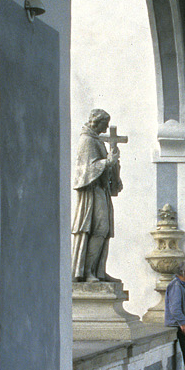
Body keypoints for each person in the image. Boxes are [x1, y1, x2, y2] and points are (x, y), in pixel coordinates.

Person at [71, 108, 122, 281]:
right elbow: (85, 170)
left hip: (101, 191)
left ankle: (98, 271)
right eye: (104, 124)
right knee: (95, 228)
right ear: (96, 122)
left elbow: (104, 167)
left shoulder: (97, 141)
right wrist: (107, 162)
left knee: (103, 230)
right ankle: (87, 272)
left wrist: (114, 165)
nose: (107, 129)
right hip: (91, 192)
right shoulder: (87, 140)